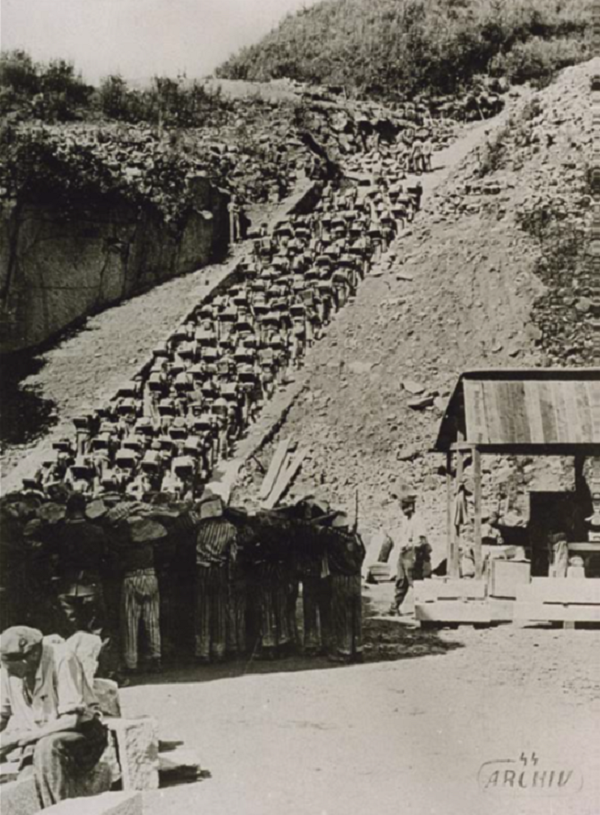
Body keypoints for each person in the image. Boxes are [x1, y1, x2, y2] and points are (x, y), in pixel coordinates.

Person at [0, 626, 108, 808]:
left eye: (12, 669)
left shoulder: (63, 659)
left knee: (47, 748)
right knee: (26, 783)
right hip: (37, 741)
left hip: (83, 736)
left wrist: (19, 739)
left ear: (32, 655)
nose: (9, 673)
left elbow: (72, 720)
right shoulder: (9, 669)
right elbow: (2, 713)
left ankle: (61, 811)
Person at [55, 493, 108, 637]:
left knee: (71, 631)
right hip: (91, 584)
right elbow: (105, 557)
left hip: (66, 585)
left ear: (68, 510)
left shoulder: (60, 532)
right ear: (85, 509)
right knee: (95, 630)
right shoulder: (96, 531)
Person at [194, 495, 238, 663]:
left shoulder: (200, 529)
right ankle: (218, 649)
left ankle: (202, 651)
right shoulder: (230, 528)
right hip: (219, 570)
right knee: (219, 609)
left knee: (203, 611)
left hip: (202, 569)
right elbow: (233, 555)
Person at [388, 493, 431, 616]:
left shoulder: (418, 520)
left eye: (405, 507)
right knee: (401, 580)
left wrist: (412, 549)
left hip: (413, 554)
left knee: (415, 582)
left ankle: (423, 610)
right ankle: (394, 607)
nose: (403, 511)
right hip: (403, 554)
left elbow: (421, 540)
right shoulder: (405, 520)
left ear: (411, 506)